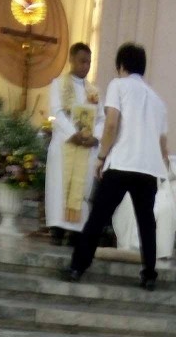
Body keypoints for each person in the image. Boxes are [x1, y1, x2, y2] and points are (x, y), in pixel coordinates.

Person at [62, 42, 169, 291]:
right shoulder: (157, 101)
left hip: (121, 163)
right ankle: (149, 274)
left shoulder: (118, 85)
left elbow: (111, 125)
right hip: (148, 169)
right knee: (146, 224)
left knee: (98, 217)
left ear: (121, 65)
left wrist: (101, 157)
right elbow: (163, 144)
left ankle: (78, 266)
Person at [45, 42, 104, 243]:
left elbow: (102, 118)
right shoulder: (58, 84)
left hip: (85, 148)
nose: (85, 66)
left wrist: (95, 136)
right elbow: (57, 112)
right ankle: (57, 229)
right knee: (60, 186)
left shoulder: (93, 91)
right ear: (71, 60)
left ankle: (77, 230)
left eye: (88, 62)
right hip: (64, 146)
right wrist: (73, 133)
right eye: (81, 61)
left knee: (82, 187)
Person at [112, 157, 176, 259]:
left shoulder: (161, 153)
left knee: (165, 207)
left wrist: (165, 162)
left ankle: (160, 254)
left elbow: (171, 178)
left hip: (159, 190)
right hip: (132, 189)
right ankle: (132, 248)